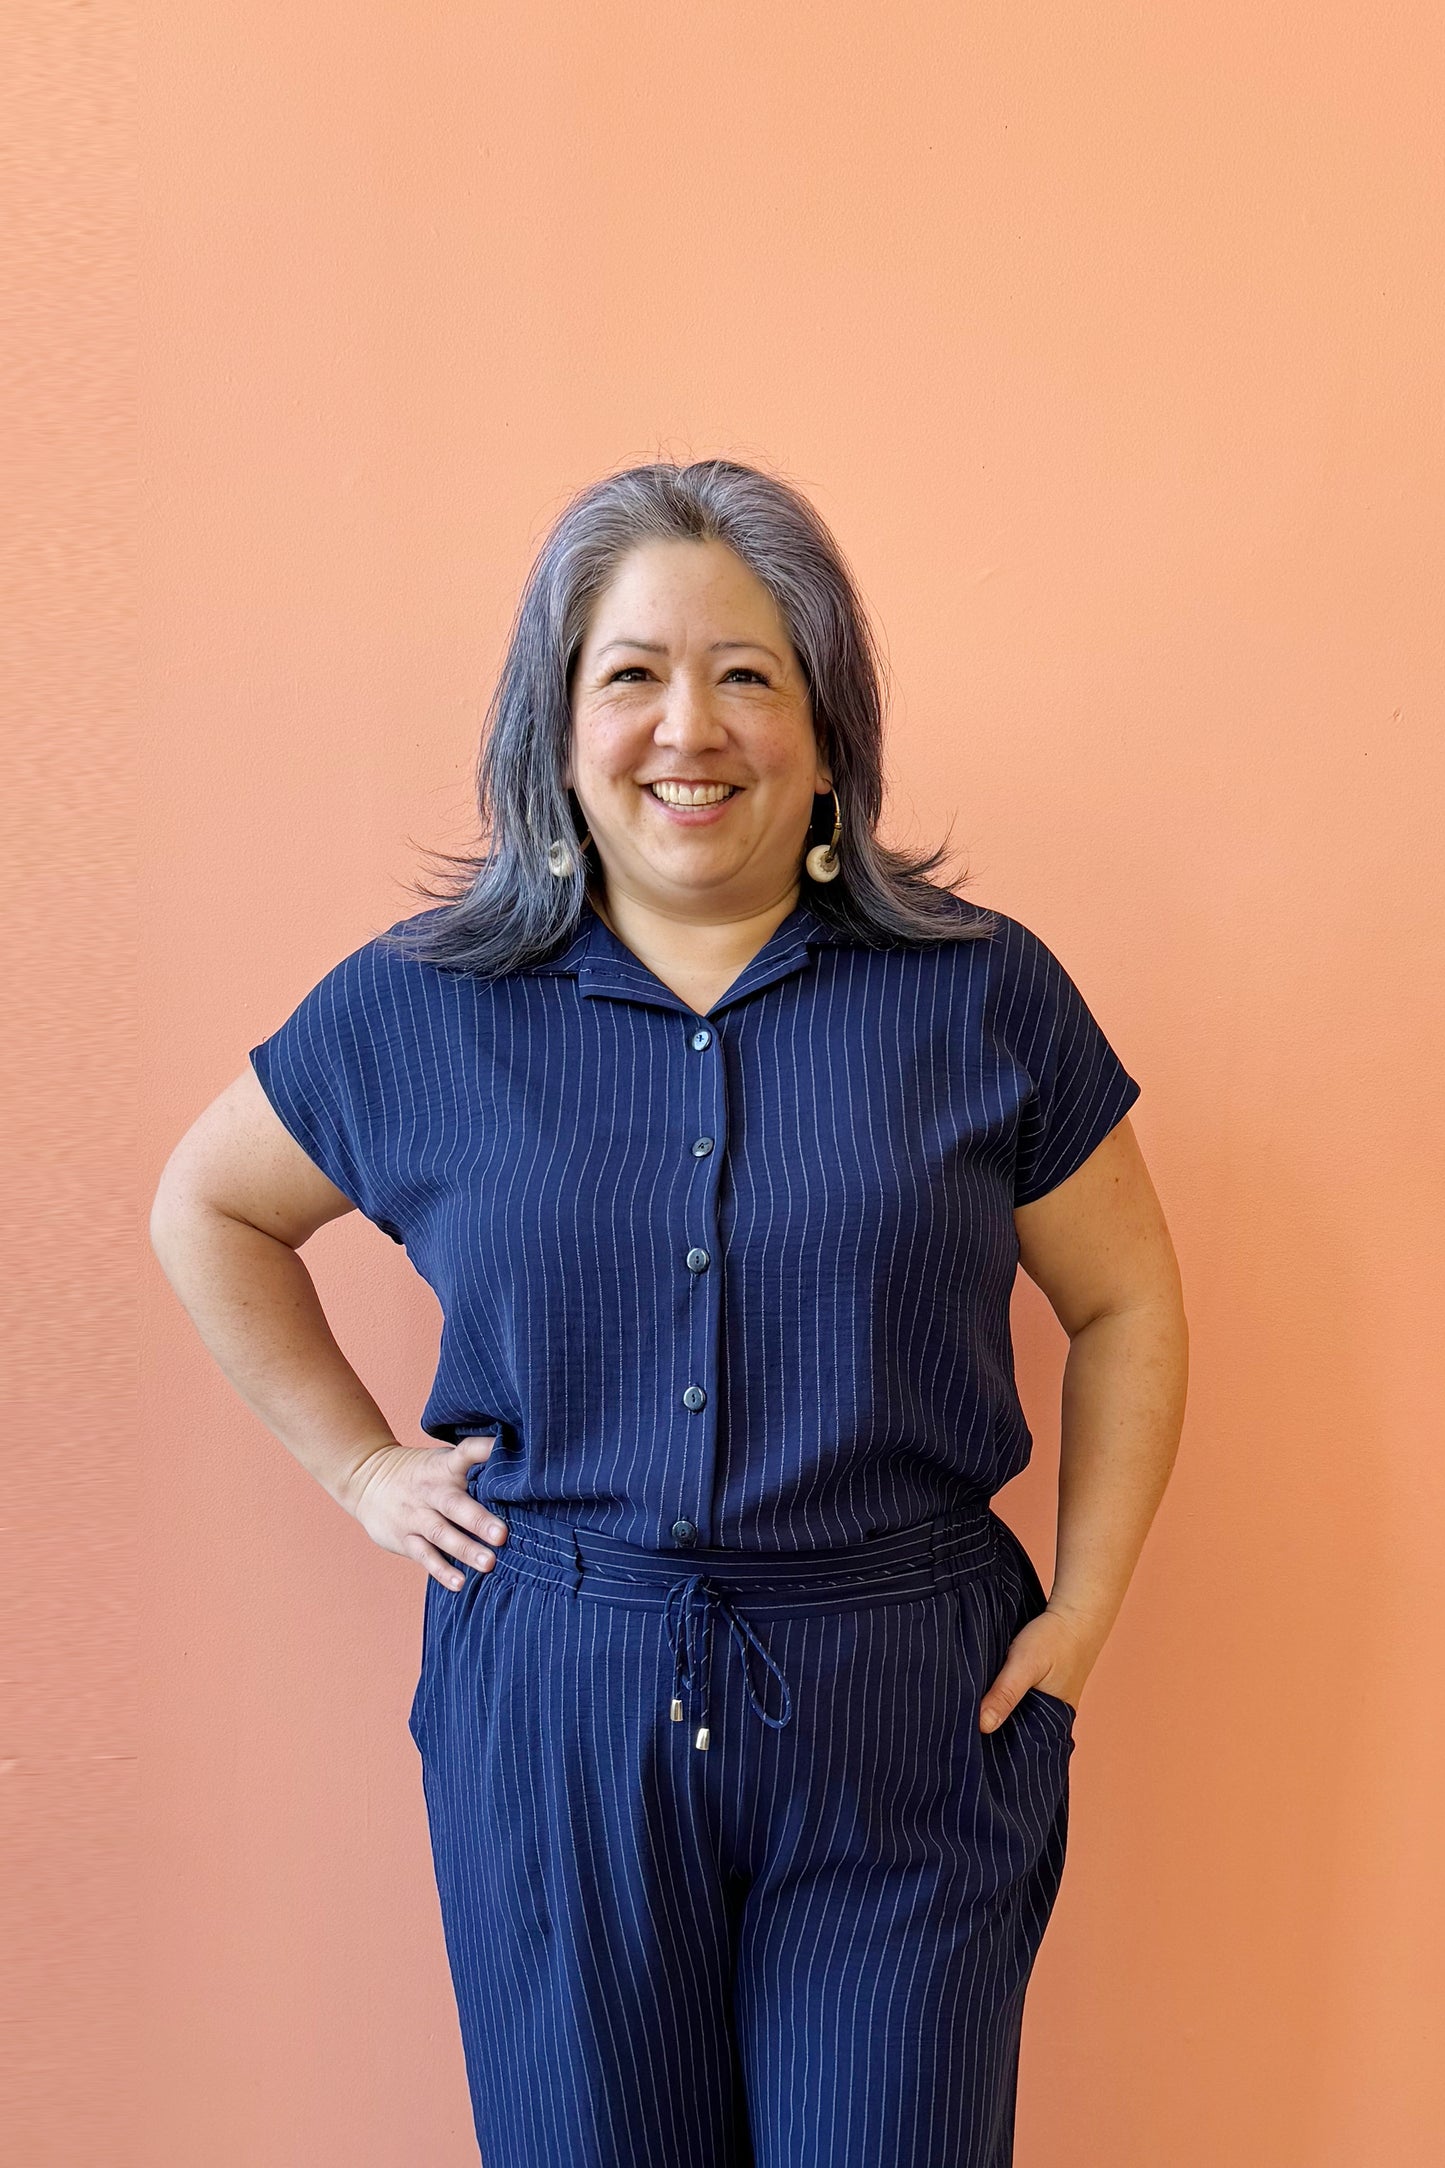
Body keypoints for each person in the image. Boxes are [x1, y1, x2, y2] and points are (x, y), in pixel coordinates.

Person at [151, 458, 1188, 2168]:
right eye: (630, 673)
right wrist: (359, 1470)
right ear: (556, 728)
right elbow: (208, 1206)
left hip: (907, 1713)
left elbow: (1127, 1299)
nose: (686, 728)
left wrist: (1079, 1617)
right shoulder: (422, 1007)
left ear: (825, 726)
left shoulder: (980, 992)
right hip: (555, 1710)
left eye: (746, 674)